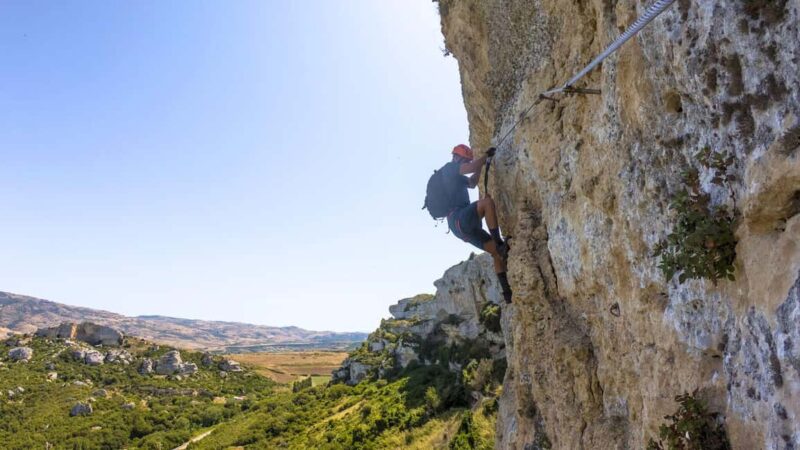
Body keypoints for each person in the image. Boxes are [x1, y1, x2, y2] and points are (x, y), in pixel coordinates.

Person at [439, 144, 513, 303]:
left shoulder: (455, 176)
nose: (466, 163)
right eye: (465, 160)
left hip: (461, 225)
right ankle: (500, 243)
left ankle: (507, 293)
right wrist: (486, 155)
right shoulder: (449, 168)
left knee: (495, 254)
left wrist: (483, 165)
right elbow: (471, 167)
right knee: (487, 203)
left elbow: (472, 182)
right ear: (457, 157)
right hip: (458, 218)